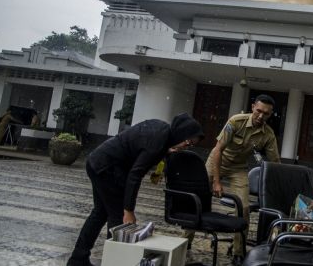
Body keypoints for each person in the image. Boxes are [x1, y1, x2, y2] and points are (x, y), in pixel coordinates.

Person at [67, 113, 204, 266]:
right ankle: (113, 262)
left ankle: (77, 259)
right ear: (181, 134)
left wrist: (165, 152)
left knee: (99, 213)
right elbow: (135, 175)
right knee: (118, 220)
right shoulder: (158, 142)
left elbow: (143, 145)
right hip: (107, 169)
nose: (187, 146)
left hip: (97, 161)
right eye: (188, 142)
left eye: (191, 145)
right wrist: (128, 210)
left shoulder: (162, 131)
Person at [204, 94, 281, 265]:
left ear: (270, 114)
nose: (261, 116)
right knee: (198, 198)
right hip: (217, 160)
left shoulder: (268, 135)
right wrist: (216, 181)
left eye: (266, 114)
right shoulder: (235, 121)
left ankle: (239, 252)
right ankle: (186, 239)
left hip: (238, 168)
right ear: (253, 107)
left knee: (244, 208)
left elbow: (275, 163)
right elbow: (218, 150)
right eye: (259, 111)